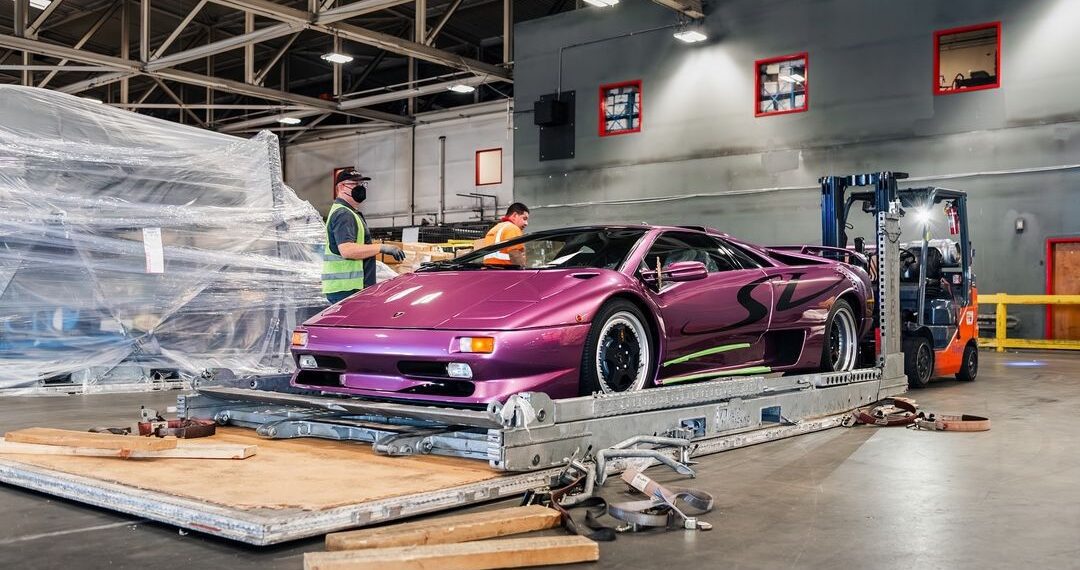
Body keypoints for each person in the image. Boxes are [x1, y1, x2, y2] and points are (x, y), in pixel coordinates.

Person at [322, 169, 405, 304]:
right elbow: (347, 250)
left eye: (362, 184)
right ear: (342, 187)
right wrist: (381, 247)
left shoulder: (349, 212)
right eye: (355, 185)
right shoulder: (344, 214)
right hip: (347, 289)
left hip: (349, 287)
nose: (360, 188)